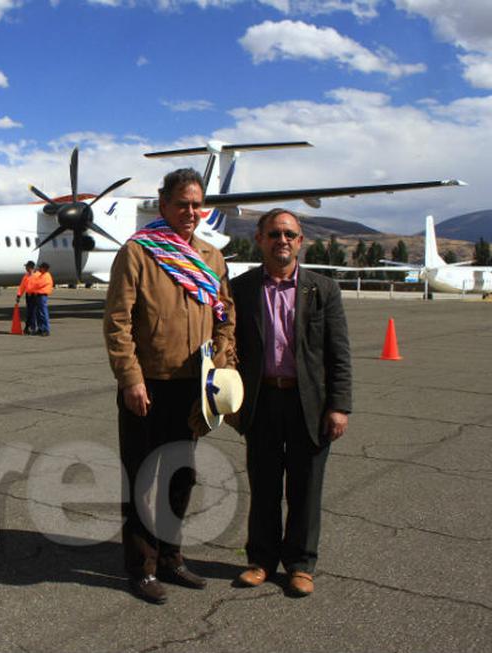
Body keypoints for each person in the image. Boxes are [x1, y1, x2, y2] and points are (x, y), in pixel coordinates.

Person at [103, 168, 236, 605]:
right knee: (142, 477)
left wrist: (219, 367)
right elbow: (118, 322)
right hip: (148, 387)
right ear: (163, 204)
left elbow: (225, 317)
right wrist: (131, 378)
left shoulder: (211, 258)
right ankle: (140, 568)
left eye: (197, 205)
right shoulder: (139, 252)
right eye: (182, 204)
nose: (190, 212)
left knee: (181, 476)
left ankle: (171, 557)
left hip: (193, 388)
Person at [229, 208, 352, 597]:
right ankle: (261, 561)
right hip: (262, 400)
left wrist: (339, 406)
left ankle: (301, 564)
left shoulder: (323, 289)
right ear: (260, 240)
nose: (282, 240)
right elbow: (228, 344)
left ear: (300, 241)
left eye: (290, 234)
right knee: (263, 486)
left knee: (306, 487)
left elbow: (339, 353)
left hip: (309, 404)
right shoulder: (242, 288)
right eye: (274, 234)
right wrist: (226, 395)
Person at [16, 261, 39, 335]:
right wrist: (18, 295)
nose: (25, 268)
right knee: (29, 312)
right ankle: (27, 328)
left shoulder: (38, 275)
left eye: (26, 267)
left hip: (36, 295)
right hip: (28, 296)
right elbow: (22, 286)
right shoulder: (26, 276)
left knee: (33, 312)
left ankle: (33, 328)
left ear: (30, 267)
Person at [34, 262, 53, 336]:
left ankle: (46, 329)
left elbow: (38, 283)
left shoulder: (46, 276)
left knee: (43, 313)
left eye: (40, 267)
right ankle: (40, 328)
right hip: (38, 295)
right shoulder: (41, 275)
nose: (39, 269)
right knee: (38, 313)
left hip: (42, 296)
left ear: (44, 268)